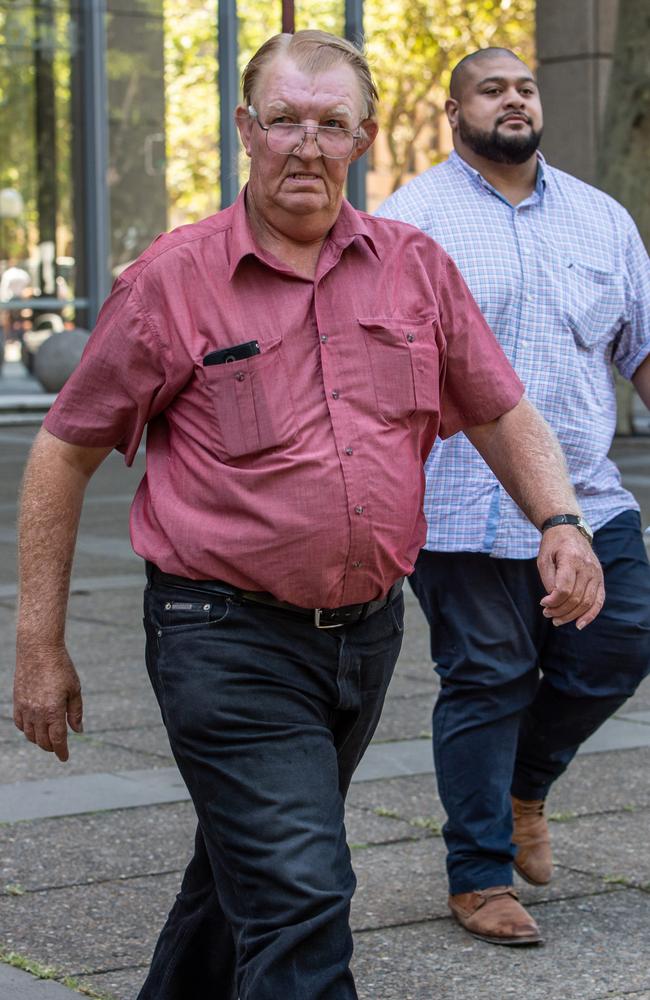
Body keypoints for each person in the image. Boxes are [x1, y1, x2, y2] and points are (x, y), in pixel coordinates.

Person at [14, 32, 603, 998]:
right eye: (284, 119)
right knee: (301, 892)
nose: (306, 144)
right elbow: (63, 450)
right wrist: (41, 642)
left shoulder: (415, 267)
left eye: (331, 125)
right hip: (223, 637)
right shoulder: (173, 281)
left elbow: (499, 407)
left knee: (242, 876)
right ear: (246, 130)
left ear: (364, 138)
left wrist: (561, 520)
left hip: (365, 638)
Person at [377, 46, 650, 947]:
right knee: (486, 679)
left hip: (589, 495)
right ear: (454, 110)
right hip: (459, 501)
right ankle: (480, 876)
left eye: (524, 87)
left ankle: (526, 785)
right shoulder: (409, 221)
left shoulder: (602, 220)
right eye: (491, 89)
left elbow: (639, 349)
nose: (514, 100)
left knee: (623, 641)